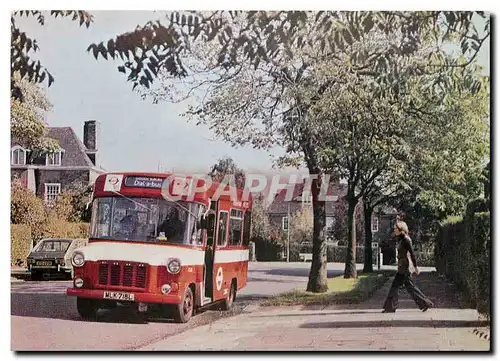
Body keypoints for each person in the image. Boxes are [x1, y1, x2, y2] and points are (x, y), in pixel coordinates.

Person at [382, 220, 434, 313]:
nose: (394, 230)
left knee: (397, 286)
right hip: (402, 266)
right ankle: (425, 303)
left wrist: (416, 267)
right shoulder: (401, 239)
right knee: (409, 287)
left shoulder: (406, 239)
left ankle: (391, 307)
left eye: (395, 228)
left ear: (400, 229)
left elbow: (412, 253)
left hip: (405, 267)